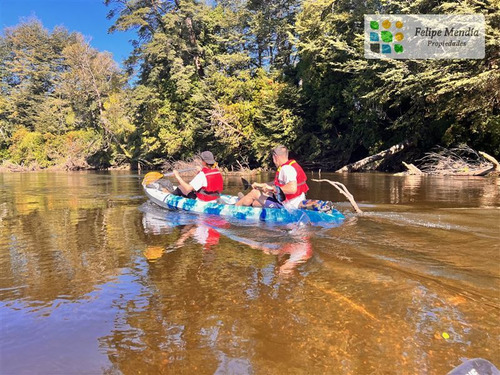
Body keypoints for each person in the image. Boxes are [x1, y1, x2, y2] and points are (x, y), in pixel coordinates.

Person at [236, 145, 309, 209]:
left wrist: (272, 189)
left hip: (288, 207)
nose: (273, 161)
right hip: (294, 202)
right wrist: (261, 185)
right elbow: (278, 184)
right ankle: (246, 202)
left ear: (276, 157)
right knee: (256, 203)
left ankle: (234, 207)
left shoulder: (286, 169)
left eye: (273, 158)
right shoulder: (291, 165)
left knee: (254, 193)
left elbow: (292, 189)